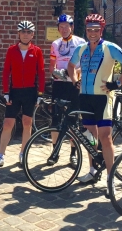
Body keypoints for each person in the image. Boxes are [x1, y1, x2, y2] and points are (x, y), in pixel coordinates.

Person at [67, 14, 122, 196]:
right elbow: (71, 67)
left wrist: (117, 84)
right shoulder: (81, 48)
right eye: (89, 30)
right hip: (85, 98)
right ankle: (93, 171)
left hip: (103, 98)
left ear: (101, 30)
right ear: (85, 31)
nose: (92, 33)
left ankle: (111, 178)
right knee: (90, 138)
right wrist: (73, 80)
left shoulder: (110, 48)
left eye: (96, 30)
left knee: (105, 138)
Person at [0, 21, 45, 168]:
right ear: (19, 34)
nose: (26, 35)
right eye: (23, 32)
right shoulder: (11, 50)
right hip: (14, 91)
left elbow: (41, 72)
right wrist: (6, 91)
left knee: (27, 123)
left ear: (32, 34)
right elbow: (6, 72)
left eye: (29, 32)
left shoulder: (37, 51)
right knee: (8, 123)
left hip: (30, 91)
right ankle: (1, 155)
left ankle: (23, 153)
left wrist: (40, 93)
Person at [49, 14, 86, 169]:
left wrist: (76, 75)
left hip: (74, 85)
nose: (64, 29)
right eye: (61, 27)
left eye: (67, 26)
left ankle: (73, 153)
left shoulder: (81, 42)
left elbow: (84, 64)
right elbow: (51, 66)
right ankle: (55, 151)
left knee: (73, 119)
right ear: (58, 28)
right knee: (56, 120)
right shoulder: (55, 44)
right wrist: (56, 72)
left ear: (72, 27)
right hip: (59, 84)